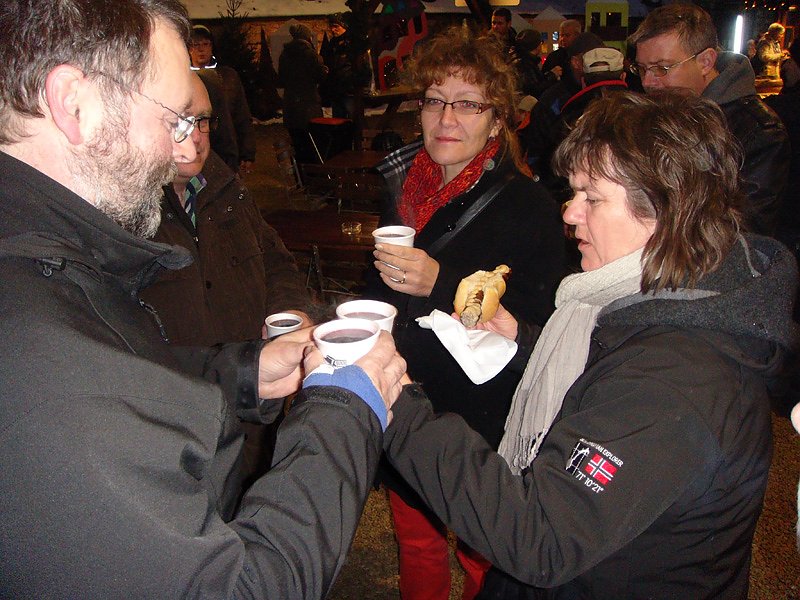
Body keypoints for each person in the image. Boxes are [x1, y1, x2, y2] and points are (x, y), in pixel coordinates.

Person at [0, 1, 407, 597]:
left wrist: (243, 371)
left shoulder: (52, 272)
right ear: (75, 105)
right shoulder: (35, 346)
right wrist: (345, 409)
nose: (181, 151)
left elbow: (123, 381)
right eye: (172, 118)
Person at [382, 90, 798, 599]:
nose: (570, 213)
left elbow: (541, 537)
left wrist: (395, 404)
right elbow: (600, 381)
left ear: (668, 208)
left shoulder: (676, 379)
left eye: (592, 198)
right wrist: (524, 343)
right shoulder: (664, 302)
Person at [370, 26, 566, 600]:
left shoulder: (530, 207)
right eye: (434, 100)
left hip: (485, 416)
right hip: (410, 398)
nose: (446, 118)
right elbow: (385, 289)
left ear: (498, 121)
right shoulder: (404, 187)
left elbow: (540, 319)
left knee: (487, 553)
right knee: (418, 543)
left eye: (467, 104)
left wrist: (440, 281)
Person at [139, 73, 320, 487]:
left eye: (202, 121)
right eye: (178, 122)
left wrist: (289, 311)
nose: (196, 137)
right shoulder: (124, 210)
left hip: (254, 405)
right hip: (176, 423)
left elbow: (275, 259)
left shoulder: (223, 185)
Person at [629, 3, 790, 237]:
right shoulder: (653, 113)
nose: (648, 82)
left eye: (662, 68)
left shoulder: (759, 132)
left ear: (705, 61)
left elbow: (743, 233)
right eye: (642, 69)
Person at [189, 24, 257, 176]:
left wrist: (247, 152)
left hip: (225, 152)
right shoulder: (183, 78)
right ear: (189, 49)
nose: (201, 49)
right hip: (194, 152)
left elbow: (241, 115)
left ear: (212, 47)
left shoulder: (228, 77)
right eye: (196, 45)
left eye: (205, 44)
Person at [279, 23, 329, 163]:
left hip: (291, 105)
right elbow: (319, 76)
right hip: (309, 105)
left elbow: (281, 78)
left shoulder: (285, 54)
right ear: (307, 38)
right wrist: (324, 70)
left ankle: (300, 174)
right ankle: (314, 174)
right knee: (313, 142)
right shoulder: (310, 54)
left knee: (297, 142)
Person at [320, 12, 370, 119]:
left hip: (350, 91)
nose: (333, 29)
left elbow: (363, 66)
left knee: (354, 120)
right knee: (339, 122)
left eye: (336, 26)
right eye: (331, 27)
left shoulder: (352, 44)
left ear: (344, 26)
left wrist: (361, 85)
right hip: (337, 91)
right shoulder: (333, 44)